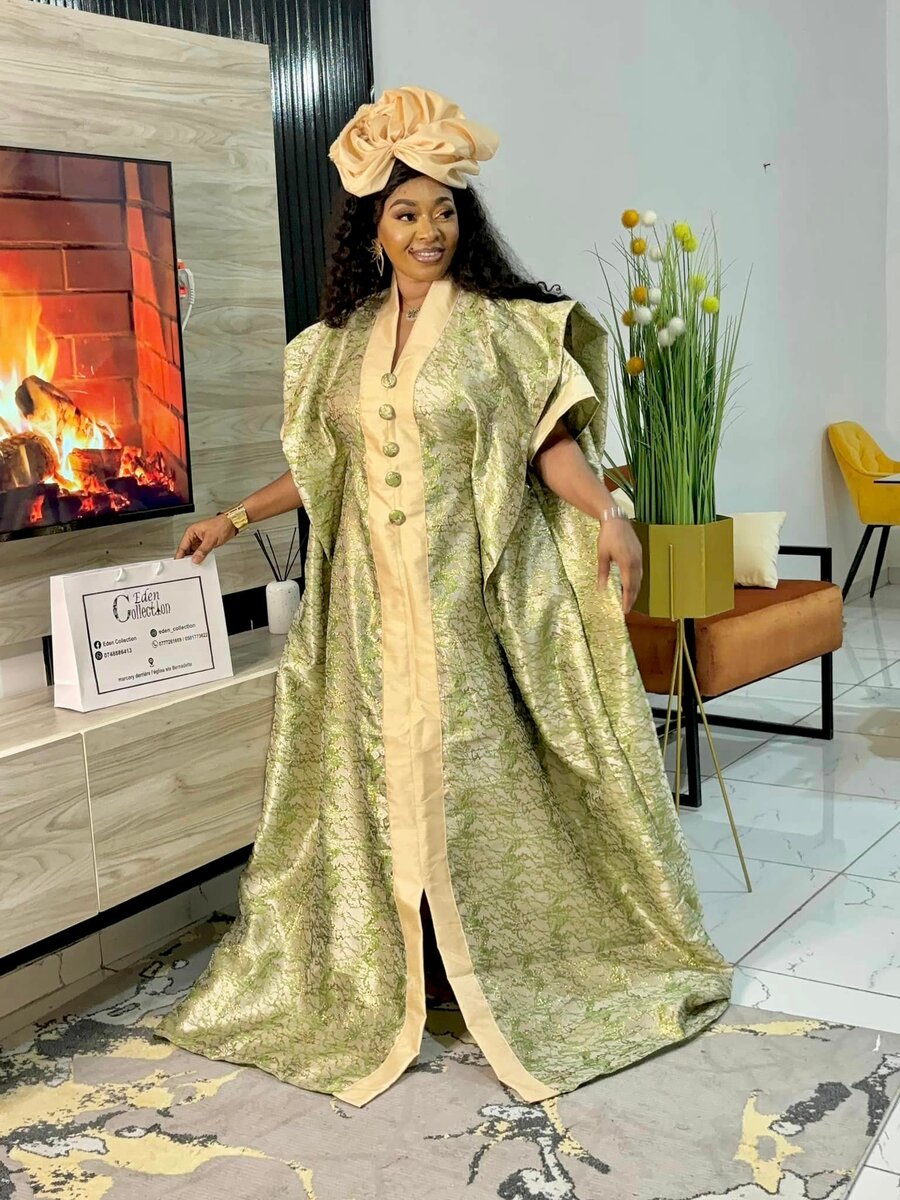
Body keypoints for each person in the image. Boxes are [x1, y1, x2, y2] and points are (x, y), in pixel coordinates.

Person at [155, 86, 732, 1107]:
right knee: (373, 780)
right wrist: (234, 519)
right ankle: (403, 968)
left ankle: (493, 959)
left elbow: (549, 447)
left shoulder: (503, 331)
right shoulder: (339, 342)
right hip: (364, 613)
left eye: (444, 210)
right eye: (406, 212)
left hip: (467, 601)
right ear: (372, 229)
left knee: (470, 774)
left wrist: (608, 513)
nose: (429, 230)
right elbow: (325, 467)